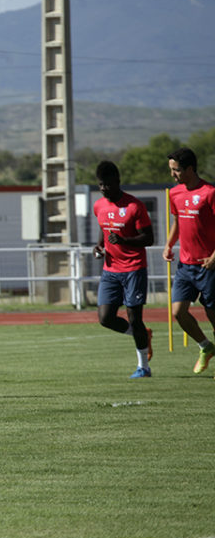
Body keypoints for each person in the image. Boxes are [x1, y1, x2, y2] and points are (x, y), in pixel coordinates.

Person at [91, 161, 154, 378]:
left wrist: (124, 240)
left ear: (117, 182)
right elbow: (104, 231)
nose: (103, 189)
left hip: (134, 268)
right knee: (105, 318)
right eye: (100, 185)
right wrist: (99, 247)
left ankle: (143, 367)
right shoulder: (99, 205)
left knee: (134, 317)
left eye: (107, 184)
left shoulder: (135, 206)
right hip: (110, 270)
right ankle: (143, 335)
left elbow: (149, 237)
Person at [162, 147, 215, 376]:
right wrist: (169, 243)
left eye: (177, 170)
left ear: (190, 169)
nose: (173, 175)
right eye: (171, 170)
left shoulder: (210, 193)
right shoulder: (175, 193)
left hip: (208, 265)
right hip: (185, 265)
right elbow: (177, 221)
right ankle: (206, 346)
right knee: (177, 312)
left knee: (213, 314)